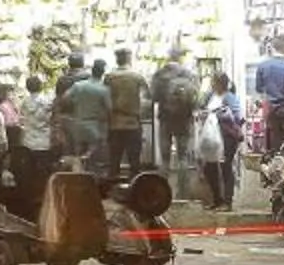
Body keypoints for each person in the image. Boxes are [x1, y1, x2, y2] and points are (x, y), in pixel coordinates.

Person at [150, 51, 199, 189]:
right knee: (183, 157)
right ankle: (183, 191)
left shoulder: (160, 75)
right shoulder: (189, 75)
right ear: (180, 58)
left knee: (165, 159)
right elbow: (196, 99)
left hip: (165, 119)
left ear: (168, 57)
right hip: (184, 120)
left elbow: (153, 97)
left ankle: (162, 190)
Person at [102, 48, 151, 184]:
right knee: (134, 162)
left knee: (114, 160)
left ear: (117, 59)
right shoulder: (137, 76)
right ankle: (135, 190)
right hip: (133, 123)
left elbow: (105, 100)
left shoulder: (109, 77)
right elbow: (147, 99)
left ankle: (113, 189)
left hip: (114, 123)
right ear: (129, 59)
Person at [197, 70, 242, 209]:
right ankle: (217, 199)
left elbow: (237, 117)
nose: (212, 84)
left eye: (214, 82)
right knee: (209, 167)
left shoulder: (230, 97)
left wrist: (219, 115)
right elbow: (202, 106)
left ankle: (227, 202)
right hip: (212, 138)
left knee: (226, 167)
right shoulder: (211, 96)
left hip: (226, 137)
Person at [250, 35, 284, 158]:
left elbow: (258, 89)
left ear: (271, 48)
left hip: (271, 109)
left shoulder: (262, 66)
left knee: (273, 140)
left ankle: (274, 168)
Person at [58, 61, 112, 175]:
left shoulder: (79, 85)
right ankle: (93, 181)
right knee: (94, 159)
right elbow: (109, 109)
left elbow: (64, 99)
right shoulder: (103, 89)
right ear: (102, 73)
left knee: (78, 158)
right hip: (94, 127)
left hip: (78, 125)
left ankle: (78, 179)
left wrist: (75, 105)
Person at [14, 73, 56, 211]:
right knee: (43, 172)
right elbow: (50, 118)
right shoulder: (47, 101)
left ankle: (29, 199)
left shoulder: (24, 102)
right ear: (40, 86)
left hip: (28, 141)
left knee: (29, 172)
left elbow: (22, 119)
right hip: (43, 141)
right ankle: (45, 197)